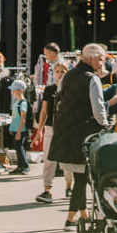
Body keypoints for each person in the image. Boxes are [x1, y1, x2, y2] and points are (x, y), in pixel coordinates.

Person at [47, 43, 109, 229]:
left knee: (79, 174)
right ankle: (70, 219)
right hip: (83, 133)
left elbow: (59, 100)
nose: (102, 62)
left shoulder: (68, 76)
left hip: (66, 132)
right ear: (90, 58)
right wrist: (105, 126)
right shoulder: (92, 79)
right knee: (82, 177)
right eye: (100, 58)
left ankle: (83, 213)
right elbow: (98, 110)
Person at [33, 61, 71, 204]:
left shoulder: (70, 89)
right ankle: (47, 189)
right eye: (58, 71)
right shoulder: (49, 89)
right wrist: (39, 130)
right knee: (49, 159)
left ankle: (69, 185)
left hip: (66, 128)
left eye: (63, 71)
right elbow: (44, 111)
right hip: (51, 127)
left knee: (66, 159)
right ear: (54, 73)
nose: (60, 74)